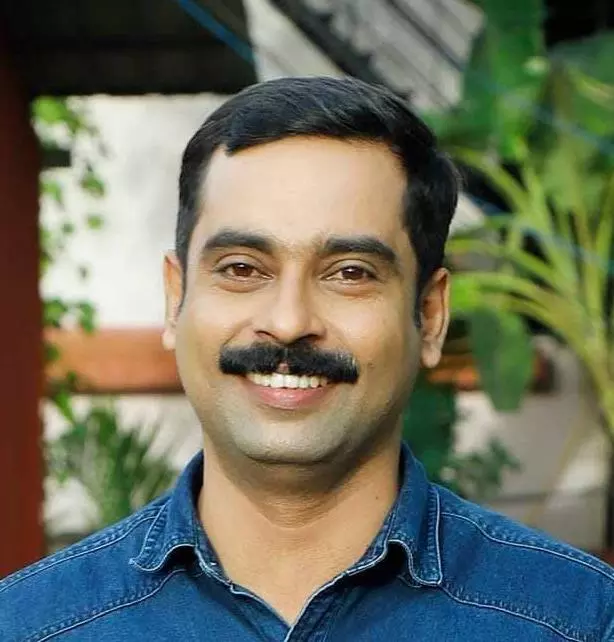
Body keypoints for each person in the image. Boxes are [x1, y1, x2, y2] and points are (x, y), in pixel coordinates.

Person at [1, 76, 613, 641]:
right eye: (242, 269)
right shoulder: (33, 625)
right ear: (175, 299)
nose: (290, 321)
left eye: (350, 273)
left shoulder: (581, 621)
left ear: (429, 316)